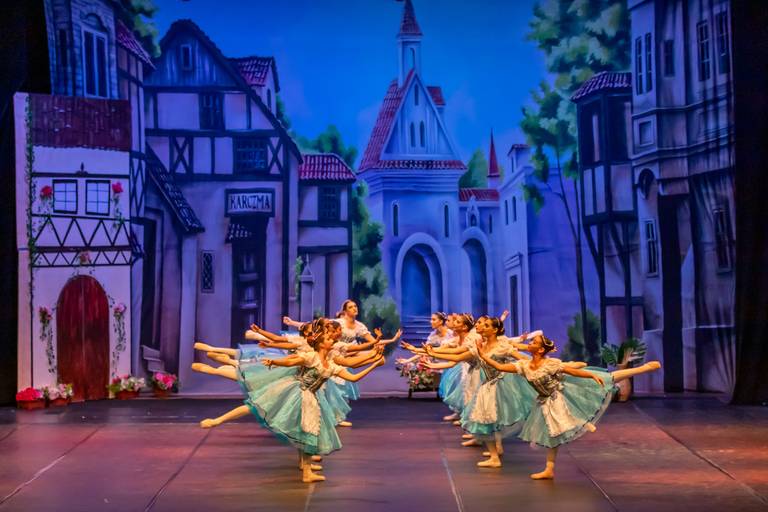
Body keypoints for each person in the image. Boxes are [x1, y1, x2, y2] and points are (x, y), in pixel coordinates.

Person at [478, 332, 661, 479]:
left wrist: (591, 375)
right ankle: (549, 469)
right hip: (544, 399)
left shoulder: (550, 364)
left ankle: (643, 368)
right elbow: (500, 367)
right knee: (552, 434)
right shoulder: (524, 365)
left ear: (540, 349)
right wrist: (482, 354)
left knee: (606, 378)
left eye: (534, 342)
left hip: (562, 390)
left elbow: (571, 371)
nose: (530, 344)